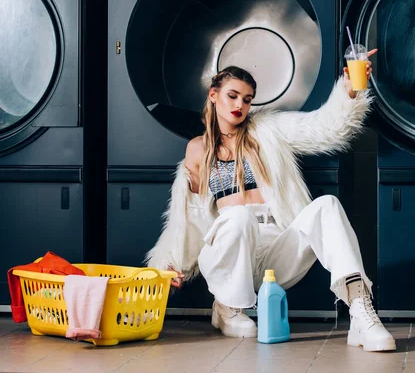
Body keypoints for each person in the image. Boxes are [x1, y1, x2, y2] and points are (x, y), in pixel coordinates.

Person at [145, 55, 396, 352]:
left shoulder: (268, 131)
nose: (240, 105)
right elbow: (191, 213)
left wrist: (351, 89)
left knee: (327, 204)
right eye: (232, 96)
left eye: (248, 99)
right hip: (229, 249)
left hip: (275, 248)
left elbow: (326, 129)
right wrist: (169, 264)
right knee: (238, 216)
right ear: (213, 96)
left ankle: (360, 312)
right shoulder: (197, 149)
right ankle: (226, 307)